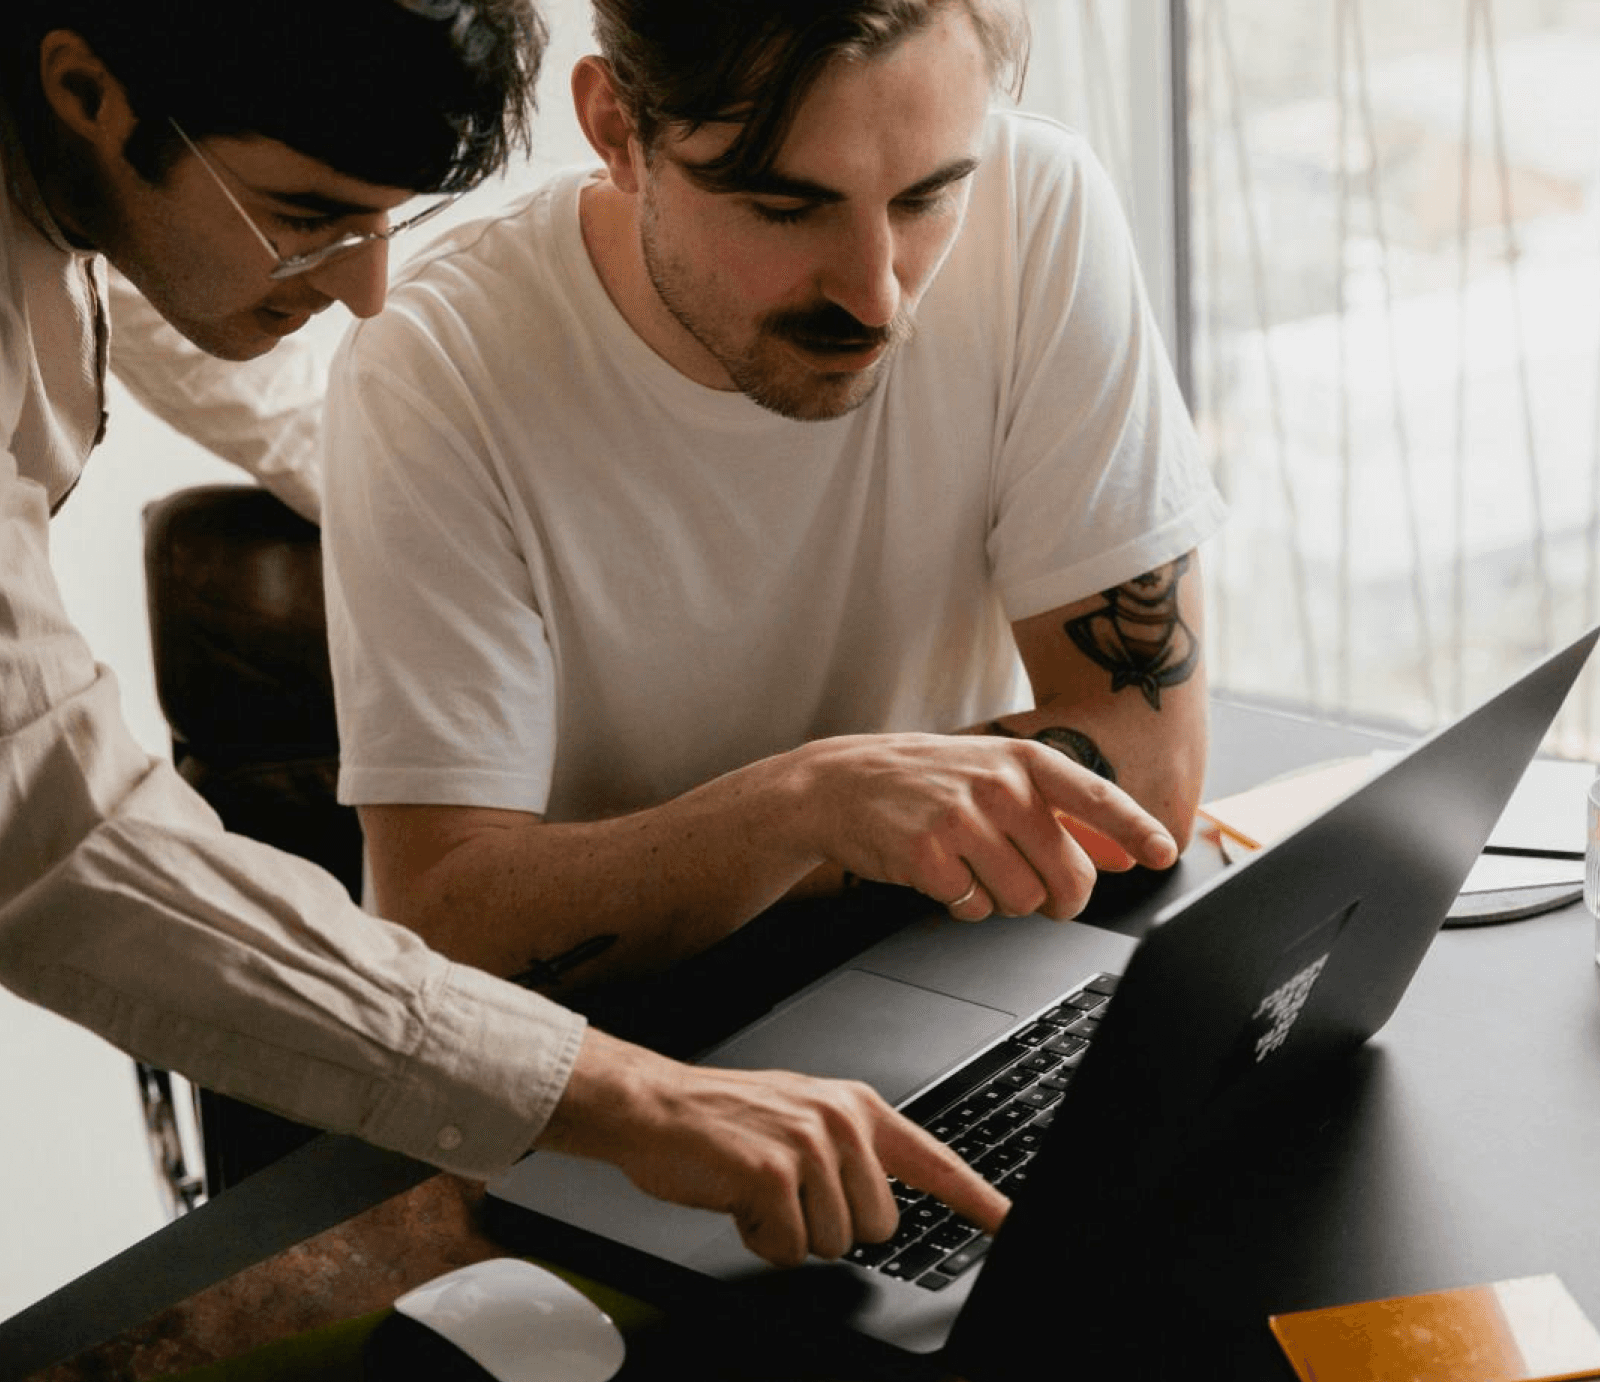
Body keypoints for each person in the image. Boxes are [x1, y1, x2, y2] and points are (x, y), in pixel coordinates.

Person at [0, 0, 1013, 1271]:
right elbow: (63, 842)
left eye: (389, 221)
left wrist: (434, 487)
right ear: (85, 89)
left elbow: (204, 279)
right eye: (310, 217)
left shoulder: (96, 133)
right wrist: (639, 1100)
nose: (369, 288)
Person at [321, 0, 1221, 1007]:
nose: (877, 296)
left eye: (926, 199)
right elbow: (443, 925)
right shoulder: (435, 362)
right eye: (787, 209)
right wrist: (805, 808)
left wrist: (831, 822)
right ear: (617, 130)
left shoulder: (1036, 206)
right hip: (636, 1039)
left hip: (943, 963)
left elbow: (1149, 768)